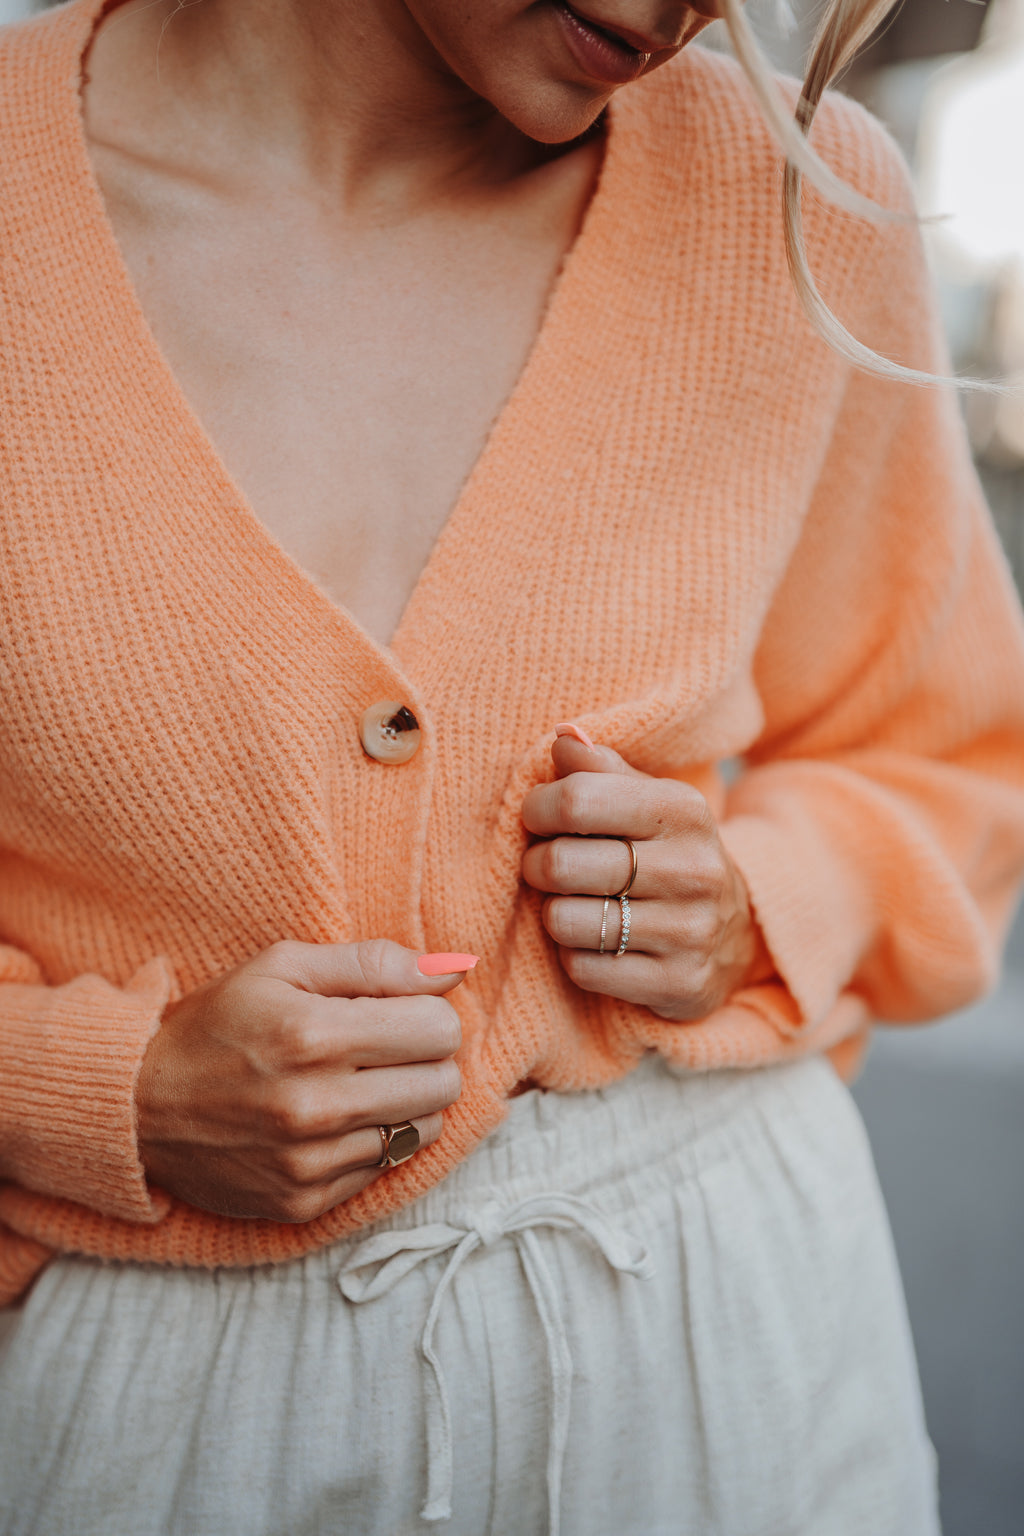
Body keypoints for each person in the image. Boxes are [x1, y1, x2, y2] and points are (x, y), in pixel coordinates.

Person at [1, 0, 1023, 1531]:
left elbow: (948, 756)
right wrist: (105, 1092)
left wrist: (758, 898)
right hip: (165, 1397)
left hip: (732, 1339)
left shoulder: (801, 201)